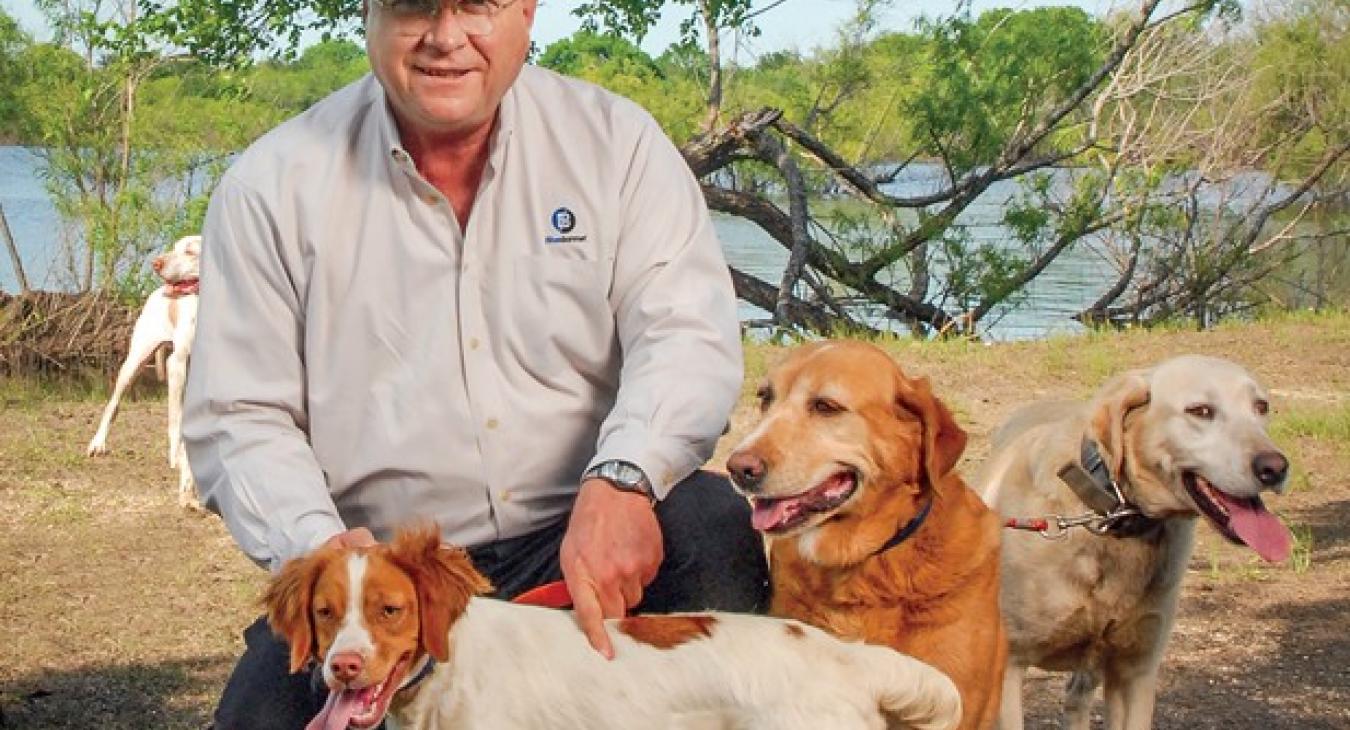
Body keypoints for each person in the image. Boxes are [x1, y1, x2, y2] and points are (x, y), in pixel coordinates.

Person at [181, 1, 769, 727]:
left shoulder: (617, 146)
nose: (445, 38)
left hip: (582, 535)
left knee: (709, 527)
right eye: (415, 6)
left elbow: (685, 335)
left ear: (526, 9)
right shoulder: (272, 185)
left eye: (476, 5)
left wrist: (627, 477)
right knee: (261, 719)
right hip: (389, 571)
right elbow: (238, 415)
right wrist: (322, 551)